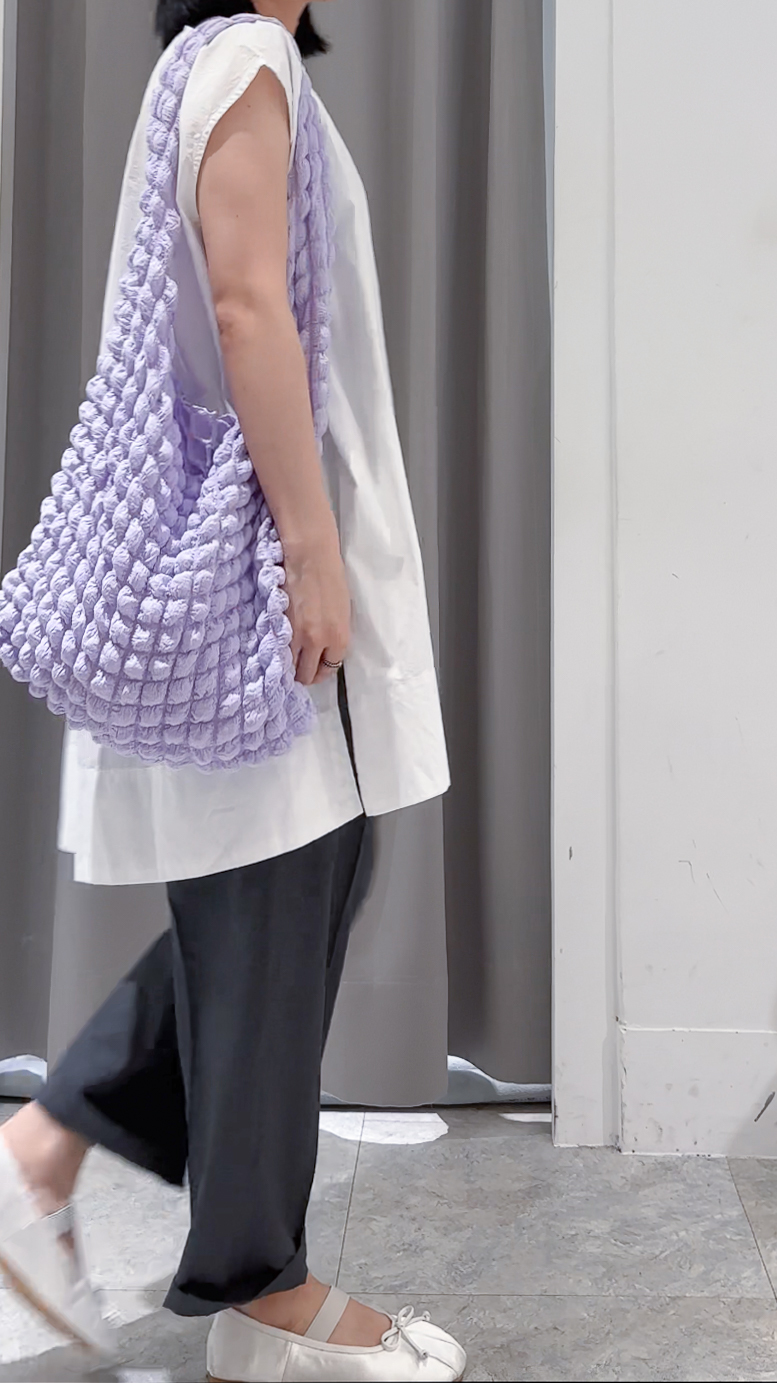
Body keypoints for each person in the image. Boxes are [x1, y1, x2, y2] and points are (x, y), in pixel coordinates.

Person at [0, 2, 465, 1380]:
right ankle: (261, 1293)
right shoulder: (245, 59)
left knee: (275, 899)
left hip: (246, 569)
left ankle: (49, 1147)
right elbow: (248, 303)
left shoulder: (206, 67)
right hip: (259, 576)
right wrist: (312, 552)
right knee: (273, 901)